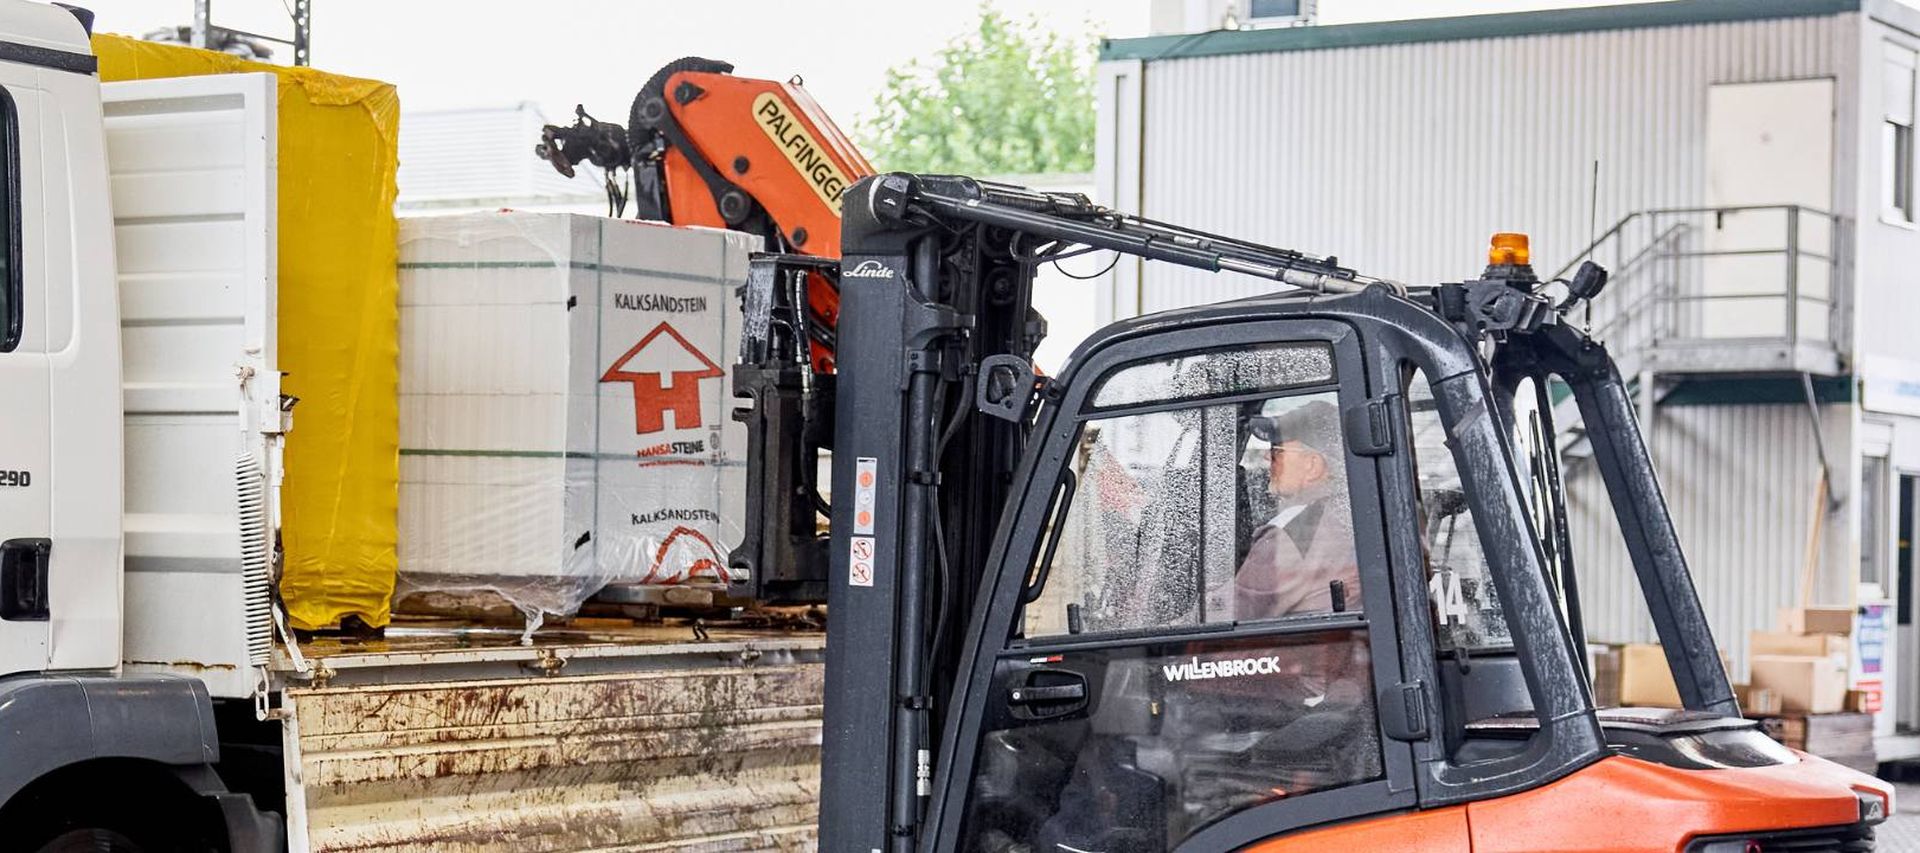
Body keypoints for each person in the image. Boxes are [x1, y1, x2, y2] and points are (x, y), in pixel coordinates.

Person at [1235, 399, 1362, 619]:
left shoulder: (1293, 532)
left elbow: (1231, 612)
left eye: (1277, 450)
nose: (1267, 456)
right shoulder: (1353, 515)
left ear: (1312, 466)